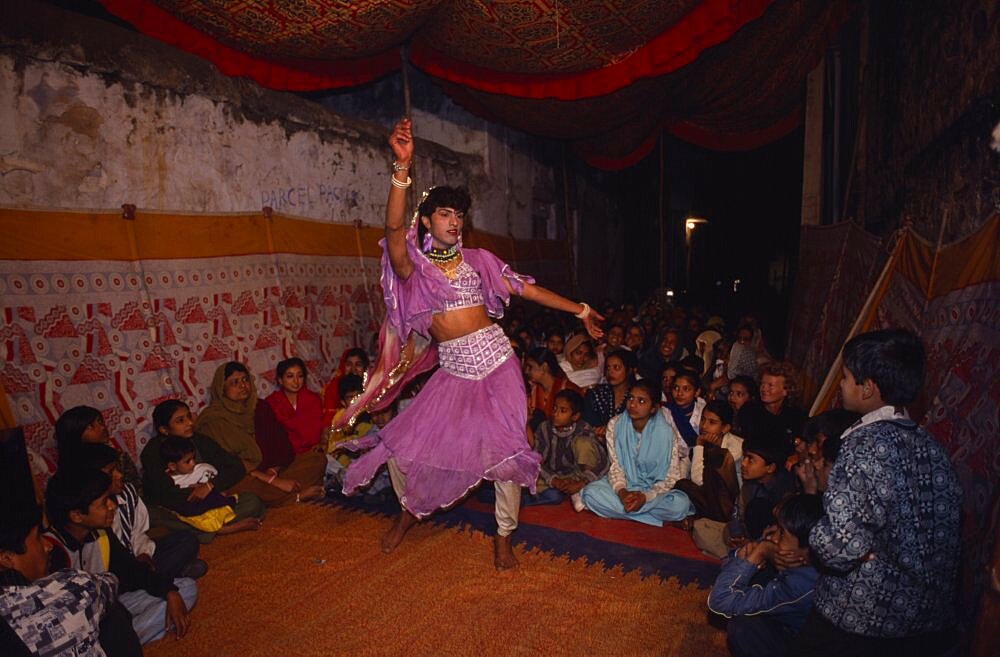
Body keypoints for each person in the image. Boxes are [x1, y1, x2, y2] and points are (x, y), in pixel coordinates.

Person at [331, 117, 604, 570]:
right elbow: (394, 231)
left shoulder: (479, 260)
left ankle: (503, 535)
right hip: (455, 371)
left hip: (497, 364)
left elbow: (527, 289)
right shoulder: (413, 271)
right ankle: (407, 513)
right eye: (445, 214)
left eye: (459, 215)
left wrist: (579, 310)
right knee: (403, 446)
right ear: (428, 221)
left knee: (506, 452)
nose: (455, 222)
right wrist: (401, 168)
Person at [797, 329, 961, 656]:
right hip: (927, 622)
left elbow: (840, 549)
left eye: (845, 377)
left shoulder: (861, 445)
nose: (840, 385)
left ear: (868, 387)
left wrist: (817, 525)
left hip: (864, 620)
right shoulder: (932, 447)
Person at [44, 468, 197, 646]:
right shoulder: (50, 551)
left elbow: (132, 570)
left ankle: (123, 638)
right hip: (79, 628)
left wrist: (169, 592)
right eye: (103, 503)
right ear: (77, 515)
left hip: (110, 608)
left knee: (186, 587)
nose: (112, 506)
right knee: (115, 626)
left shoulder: (100, 533)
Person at [1, 502, 124, 657]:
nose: (48, 546)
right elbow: (110, 581)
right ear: (6, 558)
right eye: (38, 537)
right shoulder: (69, 590)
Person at [69, 443, 206, 581]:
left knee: (187, 540)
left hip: (134, 556)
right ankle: (165, 577)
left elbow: (137, 532)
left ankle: (160, 576)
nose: (120, 475)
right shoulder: (90, 512)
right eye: (111, 472)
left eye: (117, 468)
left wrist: (143, 554)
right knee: (186, 587)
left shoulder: (126, 492)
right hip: (113, 571)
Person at [708, 494, 823, 657]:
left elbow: (720, 599)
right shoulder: (802, 561)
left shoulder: (799, 586)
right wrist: (753, 550)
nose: (773, 538)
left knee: (744, 628)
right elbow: (726, 564)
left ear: (807, 552)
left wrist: (761, 551)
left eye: (782, 534)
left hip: (803, 643)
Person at [196, 362, 326, 506]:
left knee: (316, 459)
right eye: (235, 382)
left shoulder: (259, 407)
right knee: (244, 487)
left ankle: (282, 494)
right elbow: (229, 464)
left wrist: (273, 470)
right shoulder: (213, 419)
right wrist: (272, 481)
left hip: (273, 471)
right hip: (243, 476)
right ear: (221, 388)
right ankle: (293, 497)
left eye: (245, 379)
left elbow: (281, 443)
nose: (243, 385)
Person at [142, 400, 265, 541]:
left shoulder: (199, 440)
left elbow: (235, 467)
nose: (189, 423)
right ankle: (222, 529)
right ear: (164, 430)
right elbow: (164, 493)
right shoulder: (153, 452)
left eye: (189, 417)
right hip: (180, 507)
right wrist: (196, 494)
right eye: (180, 421)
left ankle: (204, 529)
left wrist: (209, 486)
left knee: (252, 501)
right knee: (154, 517)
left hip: (212, 503)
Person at [580, 380, 693, 526]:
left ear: (654, 408)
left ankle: (627, 511)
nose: (632, 405)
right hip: (623, 486)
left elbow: (671, 477)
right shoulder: (615, 425)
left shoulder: (666, 433)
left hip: (653, 493)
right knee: (591, 493)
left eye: (641, 401)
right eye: (630, 398)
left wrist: (645, 497)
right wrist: (622, 492)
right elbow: (616, 467)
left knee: (680, 505)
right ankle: (657, 520)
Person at [159, 436, 263, 535]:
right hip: (201, 515)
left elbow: (223, 482)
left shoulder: (201, 467)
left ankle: (216, 528)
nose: (193, 463)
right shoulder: (172, 483)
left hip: (223, 503)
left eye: (193, 458)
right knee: (185, 522)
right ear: (172, 466)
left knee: (252, 501)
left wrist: (213, 489)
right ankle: (226, 529)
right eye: (187, 461)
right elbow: (187, 507)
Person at [525, 389, 608, 509]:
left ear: (575, 416)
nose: (556, 414)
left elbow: (603, 462)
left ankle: (580, 489)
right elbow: (537, 461)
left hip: (578, 476)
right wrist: (554, 480)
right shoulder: (544, 428)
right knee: (550, 495)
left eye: (562, 411)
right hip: (554, 476)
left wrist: (581, 482)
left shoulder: (583, 429)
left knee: (584, 443)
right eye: (554, 408)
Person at [674, 400, 744, 522]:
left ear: (725, 428)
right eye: (703, 420)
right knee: (681, 485)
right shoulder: (707, 441)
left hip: (729, 505)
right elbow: (684, 465)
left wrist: (699, 446)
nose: (704, 426)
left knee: (684, 486)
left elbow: (700, 481)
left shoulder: (735, 448)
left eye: (712, 422)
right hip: (710, 497)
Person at [55, 406, 142, 494]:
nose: (102, 427)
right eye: (90, 426)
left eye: (100, 421)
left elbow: (137, 490)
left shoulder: (116, 456)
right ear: (74, 433)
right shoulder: (70, 472)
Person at [736, 362, 806, 449]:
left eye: (770, 385)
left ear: (786, 390)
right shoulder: (749, 410)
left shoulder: (796, 415)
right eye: (762, 384)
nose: (764, 389)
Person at [265, 357, 324, 455]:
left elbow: (314, 435)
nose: (296, 381)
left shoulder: (313, 399)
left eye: (300, 376)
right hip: (284, 455)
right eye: (290, 376)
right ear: (280, 380)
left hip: (312, 452)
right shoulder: (271, 402)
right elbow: (272, 436)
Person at [525, 347, 582, 432]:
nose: (526, 371)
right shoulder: (533, 390)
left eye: (530, 367)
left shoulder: (569, 389)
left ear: (544, 367)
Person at [581, 348, 636, 434]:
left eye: (616, 367)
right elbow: (587, 423)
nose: (610, 372)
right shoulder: (595, 394)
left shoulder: (636, 396)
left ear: (629, 370)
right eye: (608, 368)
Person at [321, 347, 369, 426]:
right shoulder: (334, 387)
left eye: (358, 365)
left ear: (365, 367)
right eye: (348, 364)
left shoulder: (371, 386)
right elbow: (328, 418)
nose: (353, 369)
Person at [664, 369, 706, 448]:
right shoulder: (664, 412)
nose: (679, 393)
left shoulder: (704, 411)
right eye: (676, 388)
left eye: (686, 389)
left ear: (697, 392)